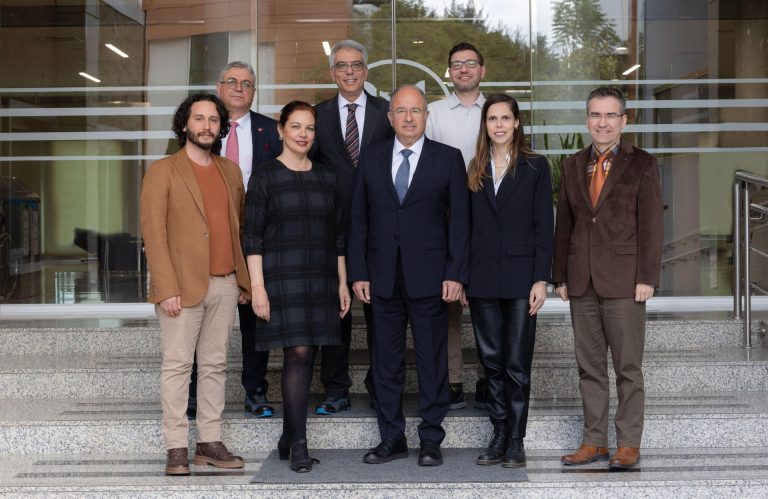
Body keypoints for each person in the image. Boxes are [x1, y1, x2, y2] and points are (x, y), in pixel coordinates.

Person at [348, 85, 470, 467]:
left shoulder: (448, 159)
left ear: (426, 116)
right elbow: (358, 220)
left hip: (432, 279)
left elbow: (462, 223)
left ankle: (431, 438)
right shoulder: (370, 158)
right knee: (386, 363)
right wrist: (359, 273)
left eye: (416, 110)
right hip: (381, 279)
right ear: (390, 117)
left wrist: (456, 273)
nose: (408, 117)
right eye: (401, 111)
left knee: (433, 362)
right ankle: (392, 438)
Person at [553, 87, 663, 469]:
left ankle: (628, 443)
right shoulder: (572, 165)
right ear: (587, 120)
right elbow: (564, 224)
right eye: (596, 116)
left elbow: (652, 224)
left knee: (627, 367)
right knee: (589, 366)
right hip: (581, 279)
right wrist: (559, 276)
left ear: (624, 120)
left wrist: (647, 276)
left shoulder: (643, 164)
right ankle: (594, 441)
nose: (602, 123)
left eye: (610, 116)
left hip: (625, 280)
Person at [141, 93, 249, 476]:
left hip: (224, 284)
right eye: (199, 119)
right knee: (177, 366)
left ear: (221, 127)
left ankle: (208, 441)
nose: (206, 126)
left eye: (213, 120)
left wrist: (242, 280)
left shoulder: (230, 171)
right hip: (181, 288)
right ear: (185, 124)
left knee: (215, 366)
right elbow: (153, 234)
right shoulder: (163, 171)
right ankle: (176, 447)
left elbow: (237, 228)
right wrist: (166, 287)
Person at [242, 100, 351, 473]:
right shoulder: (265, 176)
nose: (303, 134)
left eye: (309, 128)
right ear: (281, 131)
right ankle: (300, 444)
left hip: (320, 277)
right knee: (299, 353)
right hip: (281, 278)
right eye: (296, 127)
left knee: (310, 351)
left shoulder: (327, 177)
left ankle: (288, 438)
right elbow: (252, 238)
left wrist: (342, 283)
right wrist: (258, 287)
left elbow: (338, 237)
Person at [188, 61, 282, 419]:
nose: (239, 88)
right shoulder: (201, 127)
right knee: (203, 315)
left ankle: (255, 390)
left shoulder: (271, 131)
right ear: (219, 86)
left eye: (246, 83)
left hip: (258, 236)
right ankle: (195, 393)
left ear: (253, 91)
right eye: (232, 82)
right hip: (209, 238)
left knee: (256, 319)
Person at [463, 94, 553, 468]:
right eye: (492, 119)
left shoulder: (535, 166)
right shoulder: (475, 168)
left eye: (505, 118)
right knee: (492, 363)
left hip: (520, 280)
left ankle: (516, 439)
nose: (498, 125)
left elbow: (543, 227)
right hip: (483, 278)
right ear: (485, 125)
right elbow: (467, 228)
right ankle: (498, 433)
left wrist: (540, 279)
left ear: (517, 123)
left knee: (516, 363)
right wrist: (464, 278)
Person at [311, 39, 394, 414]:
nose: (349, 71)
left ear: (365, 71)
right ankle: (336, 388)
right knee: (336, 310)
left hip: (381, 228)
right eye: (341, 65)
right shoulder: (318, 115)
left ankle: (380, 385)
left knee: (381, 310)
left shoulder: (388, 112)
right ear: (332, 72)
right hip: (331, 227)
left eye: (356, 64)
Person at [426, 41, 488, 410]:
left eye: (470, 63)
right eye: (456, 64)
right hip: (444, 222)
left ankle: (488, 378)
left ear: (483, 70)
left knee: (486, 305)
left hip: (489, 220)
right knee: (448, 306)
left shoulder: (496, 111)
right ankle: (452, 381)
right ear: (449, 72)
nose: (463, 69)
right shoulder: (432, 113)